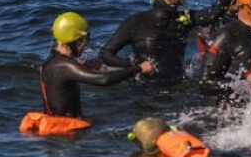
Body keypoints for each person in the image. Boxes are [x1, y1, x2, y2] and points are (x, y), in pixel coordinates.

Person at [20, 12, 155, 135]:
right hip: (68, 132)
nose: (85, 45)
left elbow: (63, 76)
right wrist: (138, 69)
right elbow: (103, 80)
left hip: (60, 129)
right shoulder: (65, 66)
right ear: (72, 41)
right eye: (83, 41)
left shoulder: (52, 62)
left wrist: (83, 66)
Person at [102, 0, 235, 81]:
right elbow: (106, 53)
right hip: (146, 87)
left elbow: (213, 14)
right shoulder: (136, 21)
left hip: (178, 85)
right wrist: (134, 65)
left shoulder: (184, 20)